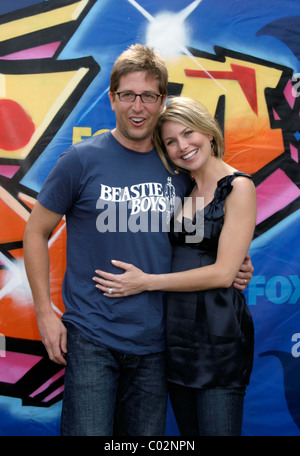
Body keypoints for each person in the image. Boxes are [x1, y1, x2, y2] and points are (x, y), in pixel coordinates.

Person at [23, 44, 253, 436]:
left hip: (159, 344)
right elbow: (35, 232)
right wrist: (45, 313)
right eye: (128, 94)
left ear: (162, 100)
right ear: (112, 98)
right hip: (93, 337)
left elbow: (206, 230)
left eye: (149, 95)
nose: (138, 106)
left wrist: (234, 266)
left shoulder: (179, 165)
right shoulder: (80, 160)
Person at [93, 96, 257, 436]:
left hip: (218, 340)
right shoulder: (183, 188)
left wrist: (146, 282)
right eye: (170, 141)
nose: (182, 146)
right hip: (176, 339)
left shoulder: (239, 187)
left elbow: (224, 273)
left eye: (188, 133)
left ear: (208, 132)